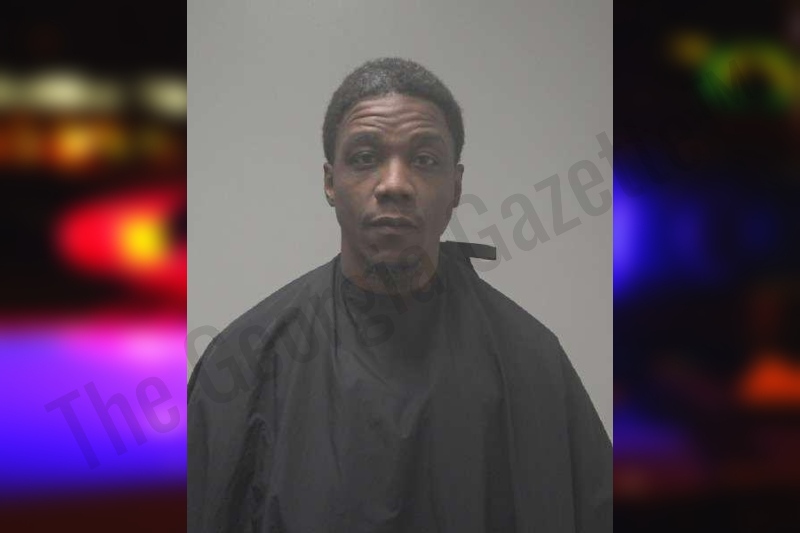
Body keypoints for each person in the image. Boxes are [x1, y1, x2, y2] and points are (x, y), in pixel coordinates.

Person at [188, 57, 612, 533]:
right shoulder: (247, 364)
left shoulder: (532, 365)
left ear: (456, 187)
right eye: (365, 158)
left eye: (425, 160)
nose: (394, 185)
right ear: (330, 182)